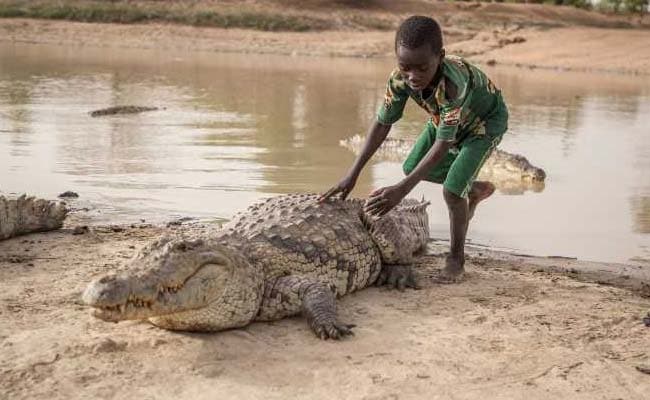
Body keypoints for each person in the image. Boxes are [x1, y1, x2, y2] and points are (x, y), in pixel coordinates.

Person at [319, 15, 508, 283]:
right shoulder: (399, 79)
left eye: (422, 68)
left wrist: (401, 190)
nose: (413, 77)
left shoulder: (452, 85)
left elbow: (444, 144)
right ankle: (472, 190)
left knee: (452, 191)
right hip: (442, 119)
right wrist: (353, 174)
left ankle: (456, 260)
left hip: (483, 124)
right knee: (410, 167)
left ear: (440, 57)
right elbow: (383, 124)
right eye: (405, 67)